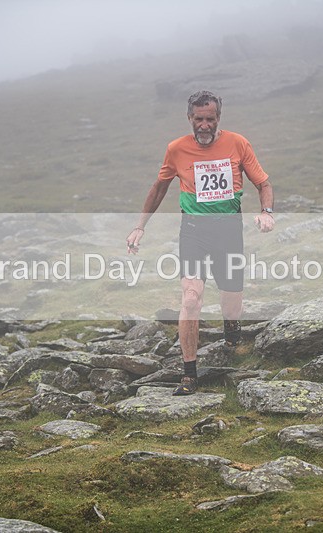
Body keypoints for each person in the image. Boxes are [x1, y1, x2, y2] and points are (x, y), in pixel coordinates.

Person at [126, 90, 275, 396]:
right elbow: (159, 188)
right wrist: (139, 227)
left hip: (230, 231)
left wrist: (266, 212)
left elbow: (263, 183)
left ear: (218, 118)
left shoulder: (238, 143)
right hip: (193, 231)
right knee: (191, 298)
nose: (204, 125)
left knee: (231, 299)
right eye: (198, 119)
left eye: (210, 119)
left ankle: (232, 337)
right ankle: (189, 373)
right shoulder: (176, 149)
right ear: (189, 118)